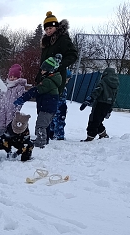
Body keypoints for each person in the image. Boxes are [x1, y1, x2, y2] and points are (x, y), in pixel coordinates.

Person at [38, 11, 78, 144]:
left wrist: (58, 65)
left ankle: (52, 135)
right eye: (46, 29)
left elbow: (73, 55)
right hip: (45, 79)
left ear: (56, 27)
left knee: (52, 108)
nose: (48, 31)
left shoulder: (62, 39)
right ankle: (44, 134)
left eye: (50, 28)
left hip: (56, 80)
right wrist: (38, 77)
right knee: (43, 108)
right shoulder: (47, 42)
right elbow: (43, 63)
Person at [14, 54, 63, 149]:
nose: (41, 71)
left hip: (47, 109)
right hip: (48, 108)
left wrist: (22, 98)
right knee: (45, 125)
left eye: (44, 69)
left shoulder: (48, 82)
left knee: (40, 126)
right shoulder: (50, 80)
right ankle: (44, 140)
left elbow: (35, 91)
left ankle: (40, 142)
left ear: (50, 70)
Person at [80, 67, 120, 141]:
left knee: (93, 120)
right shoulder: (116, 84)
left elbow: (97, 91)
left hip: (100, 103)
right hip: (108, 105)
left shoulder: (103, 81)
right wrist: (110, 109)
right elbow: (114, 97)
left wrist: (90, 99)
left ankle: (90, 136)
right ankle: (103, 134)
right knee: (99, 120)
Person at [0, 64, 27, 135]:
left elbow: (20, 99)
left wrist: (17, 109)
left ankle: (9, 134)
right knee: (1, 120)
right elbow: (0, 96)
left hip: (12, 109)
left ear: (18, 78)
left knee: (10, 121)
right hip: (3, 108)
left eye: (15, 77)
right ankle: (2, 133)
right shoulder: (6, 86)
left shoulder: (19, 88)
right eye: (11, 77)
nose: (12, 79)